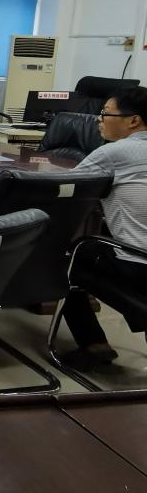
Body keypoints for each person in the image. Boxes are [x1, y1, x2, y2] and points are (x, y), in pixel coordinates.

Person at [60, 86, 147, 370]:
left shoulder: (116, 151)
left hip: (137, 265)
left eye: (105, 113)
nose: (99, 119)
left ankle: (93, 345)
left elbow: (63, 190)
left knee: (64, 258)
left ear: (133, 121)